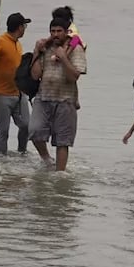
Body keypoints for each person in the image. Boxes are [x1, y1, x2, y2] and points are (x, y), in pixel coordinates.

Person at [28, 17, 88, 171]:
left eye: (59, 31)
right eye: (52, 31)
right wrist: (36, 52)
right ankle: (47, 160)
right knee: (34, 130)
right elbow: (35, 76)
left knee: (62, 141)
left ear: (66, 32)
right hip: (43, 97)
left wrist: (63, 58)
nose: (55, 34)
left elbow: (74, 76)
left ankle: (59, 174)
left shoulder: (76, 48)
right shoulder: (46, 48)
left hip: (66, 99)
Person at [0, 12, 32, 156]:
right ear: (19, 27)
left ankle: (22, 153)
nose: (25, 29)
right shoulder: (0, 41)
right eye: (24, 26)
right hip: (1, 95)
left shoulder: (18, 44)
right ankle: (1, 159)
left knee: (27, 125)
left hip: (19, 93)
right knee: (3, 131)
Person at [52, 6, 86, 109]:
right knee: (71, 80)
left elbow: (73, 40)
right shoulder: (61, 28)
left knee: (72, 78)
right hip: (69, 45)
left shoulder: (71, 28)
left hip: (75, 44)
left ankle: (75, 100)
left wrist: (65, 54)